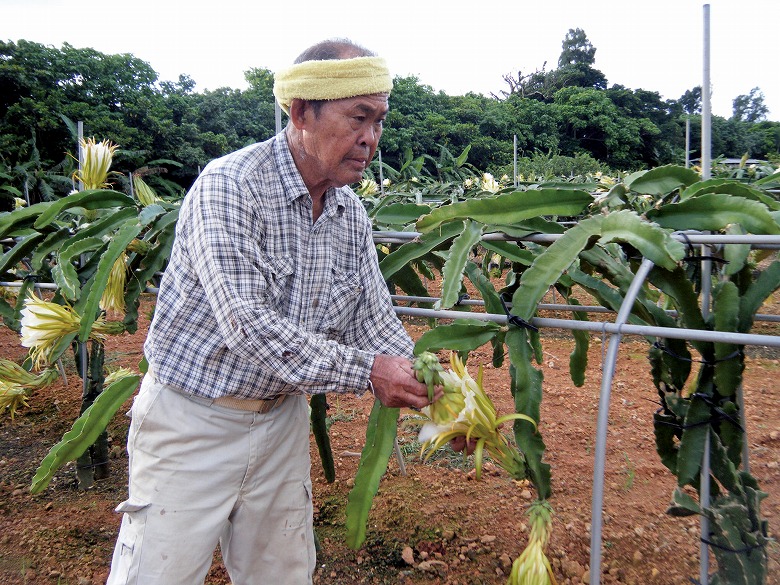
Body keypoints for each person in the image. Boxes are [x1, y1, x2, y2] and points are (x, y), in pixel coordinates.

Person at [106, 38, 439, 585]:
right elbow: (248, 327)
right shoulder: (230, 187)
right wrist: (368, 372)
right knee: (157, 573)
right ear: (301, 111)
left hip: (281, 423)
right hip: (192, 421)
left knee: (282, 574)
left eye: (379, 121)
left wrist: (439, 397)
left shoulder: (349, 212)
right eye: (359, 117)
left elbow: (374, 320)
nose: (371, 138)